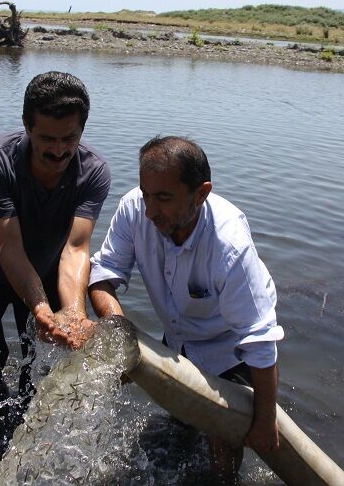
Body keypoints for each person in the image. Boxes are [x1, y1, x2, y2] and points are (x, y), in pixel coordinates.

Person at [89, 136, 284, 482]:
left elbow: (259, 340)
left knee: (223, 444)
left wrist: (266, 421)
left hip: (228, 346)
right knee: (178, 422)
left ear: (200, 193)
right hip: (178, 334)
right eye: (146, 194)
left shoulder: (228, 245)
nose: (150, 211)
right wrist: (120, 337)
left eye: (163, 198)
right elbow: (103, 275)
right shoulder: (136, 209)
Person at [0, 71, 110, 406]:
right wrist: (39, 307)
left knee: (47, 373)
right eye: (47, 139)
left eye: (70, 138)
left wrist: (73, 312)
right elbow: (9, 246)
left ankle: (29, 421)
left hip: (53, 271)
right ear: (27, 125)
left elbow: (76, 247)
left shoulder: (94, 172)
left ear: (82, 129)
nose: (58, 151)